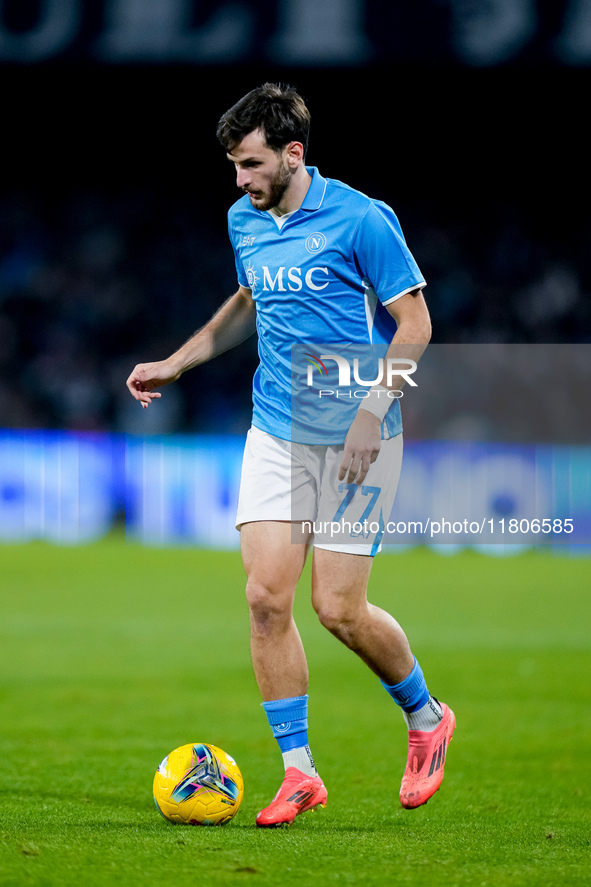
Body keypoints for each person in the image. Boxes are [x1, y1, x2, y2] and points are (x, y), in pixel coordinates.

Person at [126, 83, 455, 827]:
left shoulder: (361, 218)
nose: (238, 181)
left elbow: (414, 323)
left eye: (249, 163)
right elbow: (248, 301)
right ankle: (298, 772)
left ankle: (426, 715)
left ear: (292, 152)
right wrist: (179, 360)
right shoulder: (245, 217)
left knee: (338, 607)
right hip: (275, 428)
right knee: (264, 597)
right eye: (234, 167)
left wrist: (374, 409)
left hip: (357, 435)